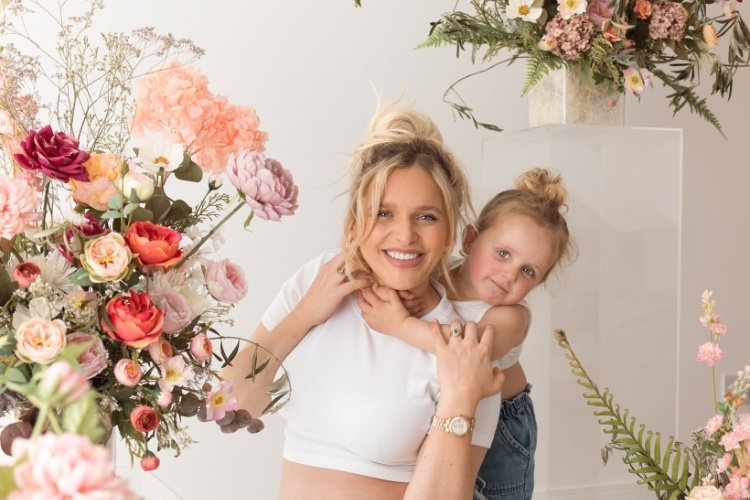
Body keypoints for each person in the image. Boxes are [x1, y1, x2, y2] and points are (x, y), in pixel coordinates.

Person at [223, 102, 505, 500]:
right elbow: (232, 405)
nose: (405, 235)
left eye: (426, 217)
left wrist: (460, 398)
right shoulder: (318, 279)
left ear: (451, 229)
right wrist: (303, 315)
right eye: (384, 213)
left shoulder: (462, 346)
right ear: (356, 221)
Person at [357, 167, 576, 500]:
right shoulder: (437, 275)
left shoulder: (510, 315)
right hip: (448, 408)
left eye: (528, 271)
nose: (508, 275)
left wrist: (399, 324)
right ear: (470, 239)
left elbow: (470, 351)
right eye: (502, 254)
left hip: (502, 427)